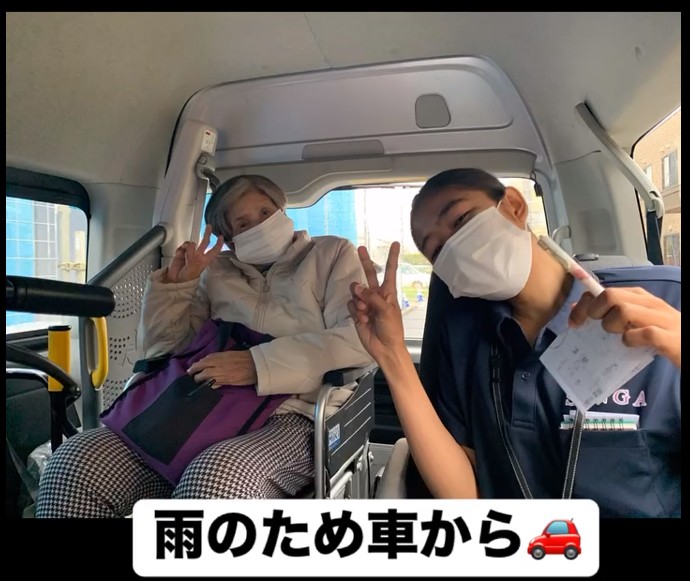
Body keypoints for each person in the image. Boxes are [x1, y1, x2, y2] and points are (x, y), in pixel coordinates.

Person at [348, 168, 681, 517]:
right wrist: (392, 354)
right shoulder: (463, 339)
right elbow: (466, 494)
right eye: (438, 250)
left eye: (461, 220)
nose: (456, 247)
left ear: (514, 206)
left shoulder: (664, 300)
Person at [36, 174, 372, 517]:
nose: (261, 224)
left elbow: (359, 340)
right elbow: (163, 350)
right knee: (75, 462)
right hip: (202, 405)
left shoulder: (331, 255)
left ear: (282, 210)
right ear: (229, 241)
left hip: (296, 414)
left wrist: (257, 365)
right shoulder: (215, 272)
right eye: (243, 223)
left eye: (266, 212)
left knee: (215, 478)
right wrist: (177, 288)